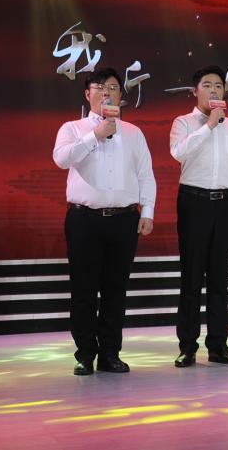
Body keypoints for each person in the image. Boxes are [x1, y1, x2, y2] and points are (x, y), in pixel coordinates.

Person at [53, 67, 155, 375]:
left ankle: (110, 353)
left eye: (112, 88)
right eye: (99, 87)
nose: (106, 93)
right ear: (88, 94)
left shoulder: (133, 133)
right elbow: (62, 159)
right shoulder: (73, 128)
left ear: (121, 95)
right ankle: (85, 353)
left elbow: (145, 174)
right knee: (84, 290)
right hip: (84, 219)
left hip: (124, 220)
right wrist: (95, 136)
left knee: (115, 290)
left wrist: (147, 211)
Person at [170, 66, 228, 367]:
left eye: (219, 85)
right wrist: (209, 126)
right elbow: (179, 152)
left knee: (219, 279)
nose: (214, 90)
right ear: (195, 91)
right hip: (194, 201)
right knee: (191, 277)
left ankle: (218, 345)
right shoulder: (183, 123)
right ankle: (187, 346)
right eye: (207, 85)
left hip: (225, 203)